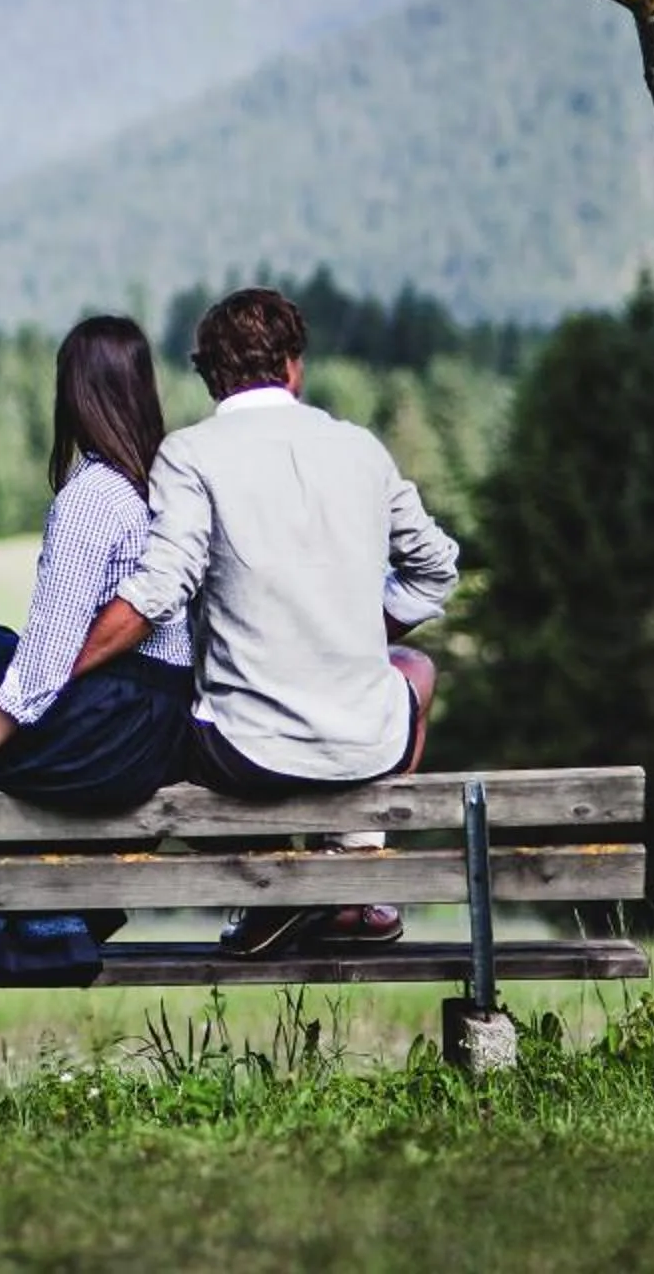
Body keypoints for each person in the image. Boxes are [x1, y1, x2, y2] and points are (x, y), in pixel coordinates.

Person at [60, 286, 459, 956]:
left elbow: (160, 589)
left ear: (211, 376)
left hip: (243, 755)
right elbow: (435, 569)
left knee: (172, 715)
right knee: (416, 670)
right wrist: (364, 628)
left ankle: (274, 894)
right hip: (364, 743)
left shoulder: (190, 453)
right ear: (293, 366)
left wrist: (63, 666)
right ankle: (350, 876)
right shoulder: (360, 450)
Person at [0, 314, 194, 971]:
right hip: (160, 732)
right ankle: (29, 914)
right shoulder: (167, 492)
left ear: (74, 396)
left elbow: (51, 649)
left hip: (112, 733)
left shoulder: (92, 497)